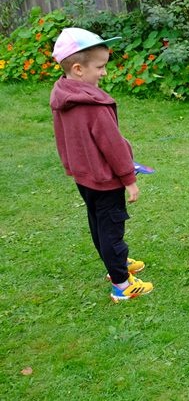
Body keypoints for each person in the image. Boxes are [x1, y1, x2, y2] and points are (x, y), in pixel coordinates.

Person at [51, 27, 154, 302]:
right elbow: (113, 146)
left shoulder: (62, 95)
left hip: (84, 177)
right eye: (99, 67)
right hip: (106, 181)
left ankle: (115, 263)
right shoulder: (94, 105)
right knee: (112, 229)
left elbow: (63, 138)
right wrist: (129, 179)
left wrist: (72, 167)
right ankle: (121, 284)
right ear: (78, 69)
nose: (104, 72)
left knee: (98, 223)